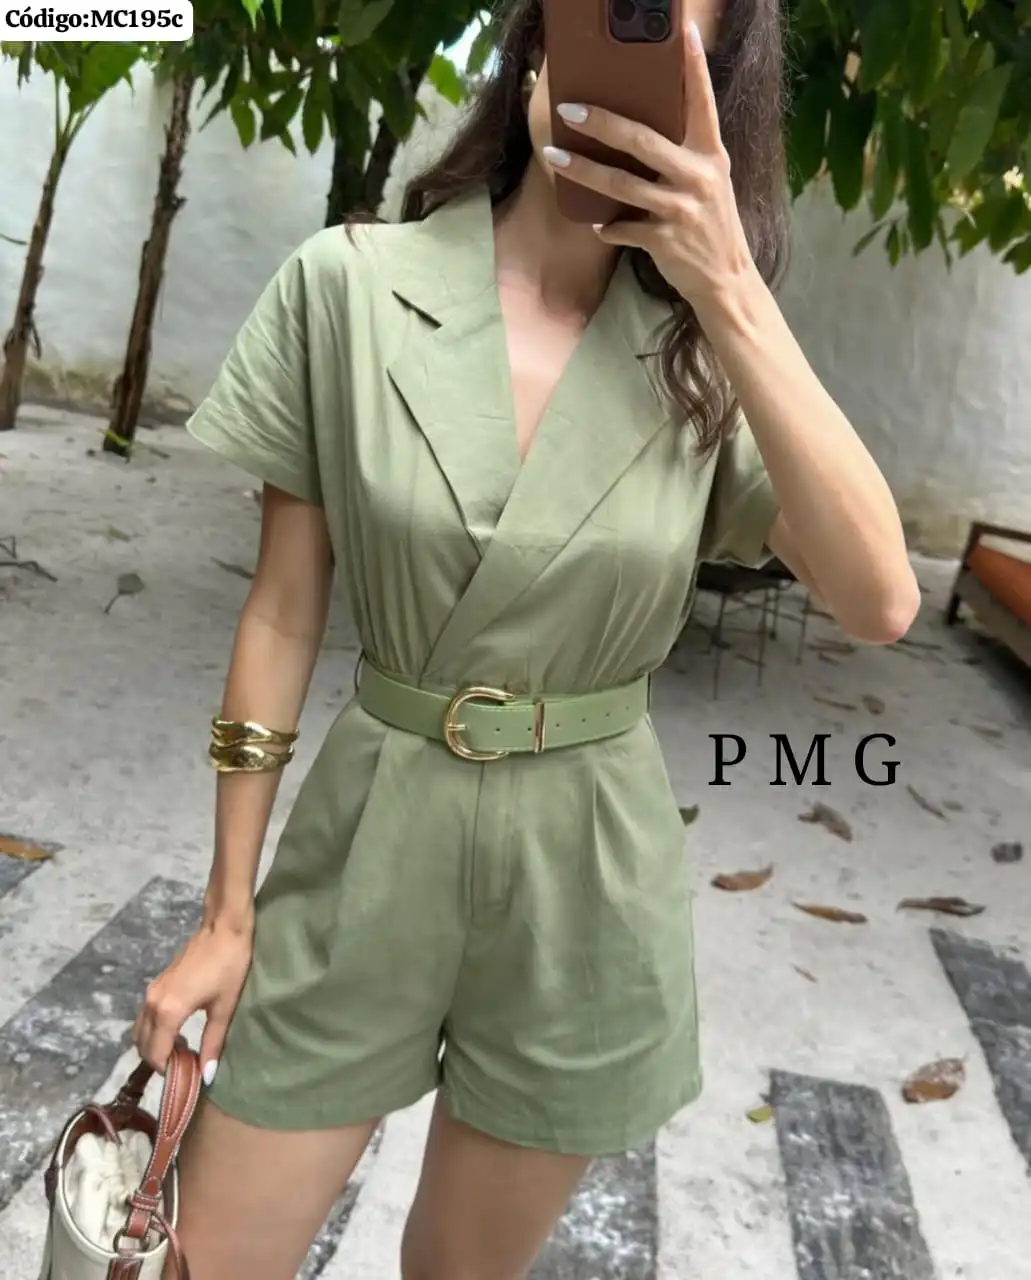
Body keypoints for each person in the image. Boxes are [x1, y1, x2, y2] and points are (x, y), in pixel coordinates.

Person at [133, 1, 919, 1276]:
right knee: (201, 1257)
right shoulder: (349, 288)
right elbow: (280, 607)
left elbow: (877, 597)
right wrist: (228, 910)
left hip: (585, 874)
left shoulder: (702, 363)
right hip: (370, 838)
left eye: (665, 46)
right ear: (539, 41)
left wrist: (727, 285)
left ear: (711, 103)